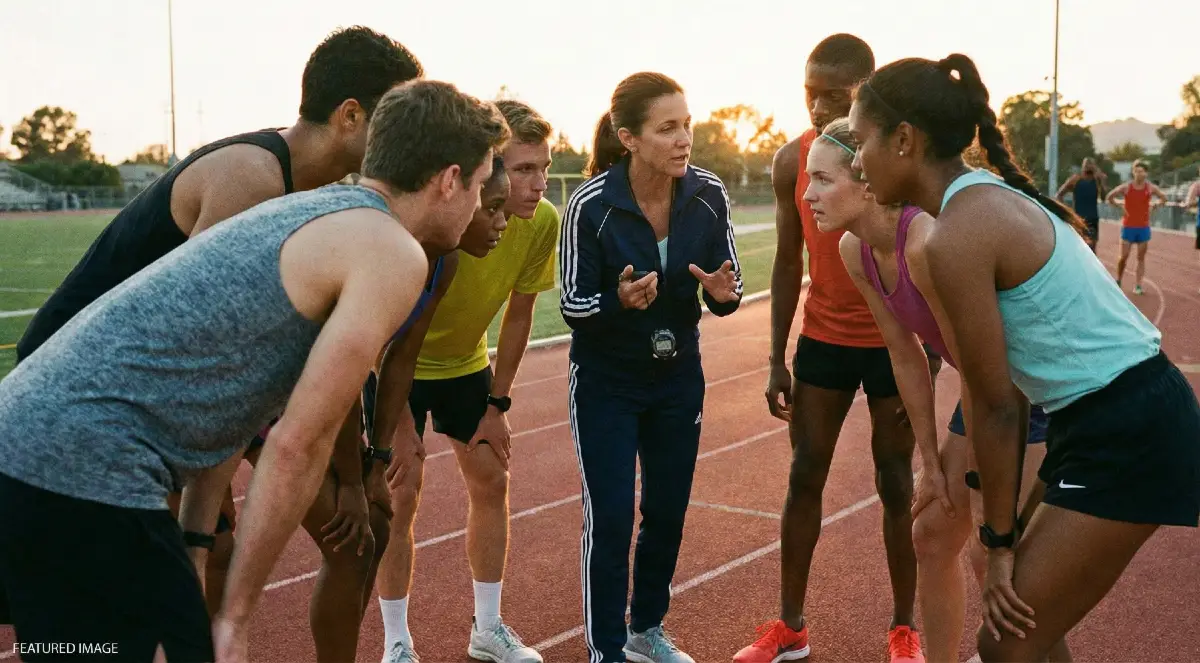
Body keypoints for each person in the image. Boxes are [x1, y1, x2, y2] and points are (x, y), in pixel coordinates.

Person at [0, 79, 509, 663]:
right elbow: (299, 443)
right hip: (90, 474)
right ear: (449, 179)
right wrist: (236, 619)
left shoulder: (304, 213)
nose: (476, 203)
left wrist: (193, 541)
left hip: (21, 446)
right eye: (477, 184)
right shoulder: (391, 251)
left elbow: (234, 402)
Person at [847, 52, 1200, 662]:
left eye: (859, 142)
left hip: (1129, 428)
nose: (856, 161)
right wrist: (999, 538)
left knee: (1005, 640)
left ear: (903, 140)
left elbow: (997, 404)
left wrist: (1001, 542)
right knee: (1025, 630)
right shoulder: (978, 202)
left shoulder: (960, 231)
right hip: (1105, 416)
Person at [806, 117, 1069, 663]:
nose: (807, 195)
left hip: (1034, 395)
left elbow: (985, 377)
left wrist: (979, 484)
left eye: (823, 180)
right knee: (929, 535)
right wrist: (928, 455)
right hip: (987, 391)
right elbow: (906, 355)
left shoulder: (926, 242)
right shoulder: (856, 250)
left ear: (865, 178)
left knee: (997, 557)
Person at [739, 34, 926, 663]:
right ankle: (790, 624)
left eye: (833, 95)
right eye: (809, 94)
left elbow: (924, 260)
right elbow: (787, 262)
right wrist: (774, 358)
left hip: (891, 343)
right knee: (803, 474)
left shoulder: (897, 162)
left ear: (865, 91)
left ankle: (904, 629)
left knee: (897, 481)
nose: (817, 107)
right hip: (822, 339)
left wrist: (923, 359)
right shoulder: (794, 160)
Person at [559, 71, 742, 663]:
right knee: (611, 518)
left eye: (686, 124)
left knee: (665, 511)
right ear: (628, 137)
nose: (684, 138)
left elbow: (727, 288)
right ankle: (606, 649)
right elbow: (572, 303)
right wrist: (618, 303)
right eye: (667, 128)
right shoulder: (591, 205)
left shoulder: (709, 194)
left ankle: (646, 631)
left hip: (678, 378)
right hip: (608, 383)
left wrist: (720, 292)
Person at [371, 99, 558, 663]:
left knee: (492, 479)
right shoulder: (437, 224)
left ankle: (488, 628)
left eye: (544, 168)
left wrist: (497, 403)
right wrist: (397, 423)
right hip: (394, 365)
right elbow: (381, 331)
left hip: (466, 365)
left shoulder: (541, 222)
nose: (537, 183)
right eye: (524, 169)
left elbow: (520, 315)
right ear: (489, 172)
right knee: (400, 494)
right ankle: (397, 642)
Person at [1106, 159, 1168, 294]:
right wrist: (1119, 206)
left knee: (1141, 258)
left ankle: (1138, 285)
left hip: (1143, 227)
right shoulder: (1126, 187)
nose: (1139, 174)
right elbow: (1109, 196)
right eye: (1137, 171)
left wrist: (1156, 205)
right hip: (1128, 226)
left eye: (1142, 171)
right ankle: (1118, 279)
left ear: (1146, 173)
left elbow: (1164, 198)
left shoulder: (1150, 188)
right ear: (1133, 173)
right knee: (1124, 256)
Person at [1054, 157, 1107, 252]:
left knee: (1092, 250)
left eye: (1091, 164)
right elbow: (1059, 195)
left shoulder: (1097, 180)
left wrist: (1102, 181)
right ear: (1082, 167)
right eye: (1086, 164)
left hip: (1092, 219)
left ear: (1094, 167)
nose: (1088, 167)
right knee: (1077, 247)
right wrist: (1066, 211)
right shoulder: (1075, 179)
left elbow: (1103, 198)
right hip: (1078, 219)